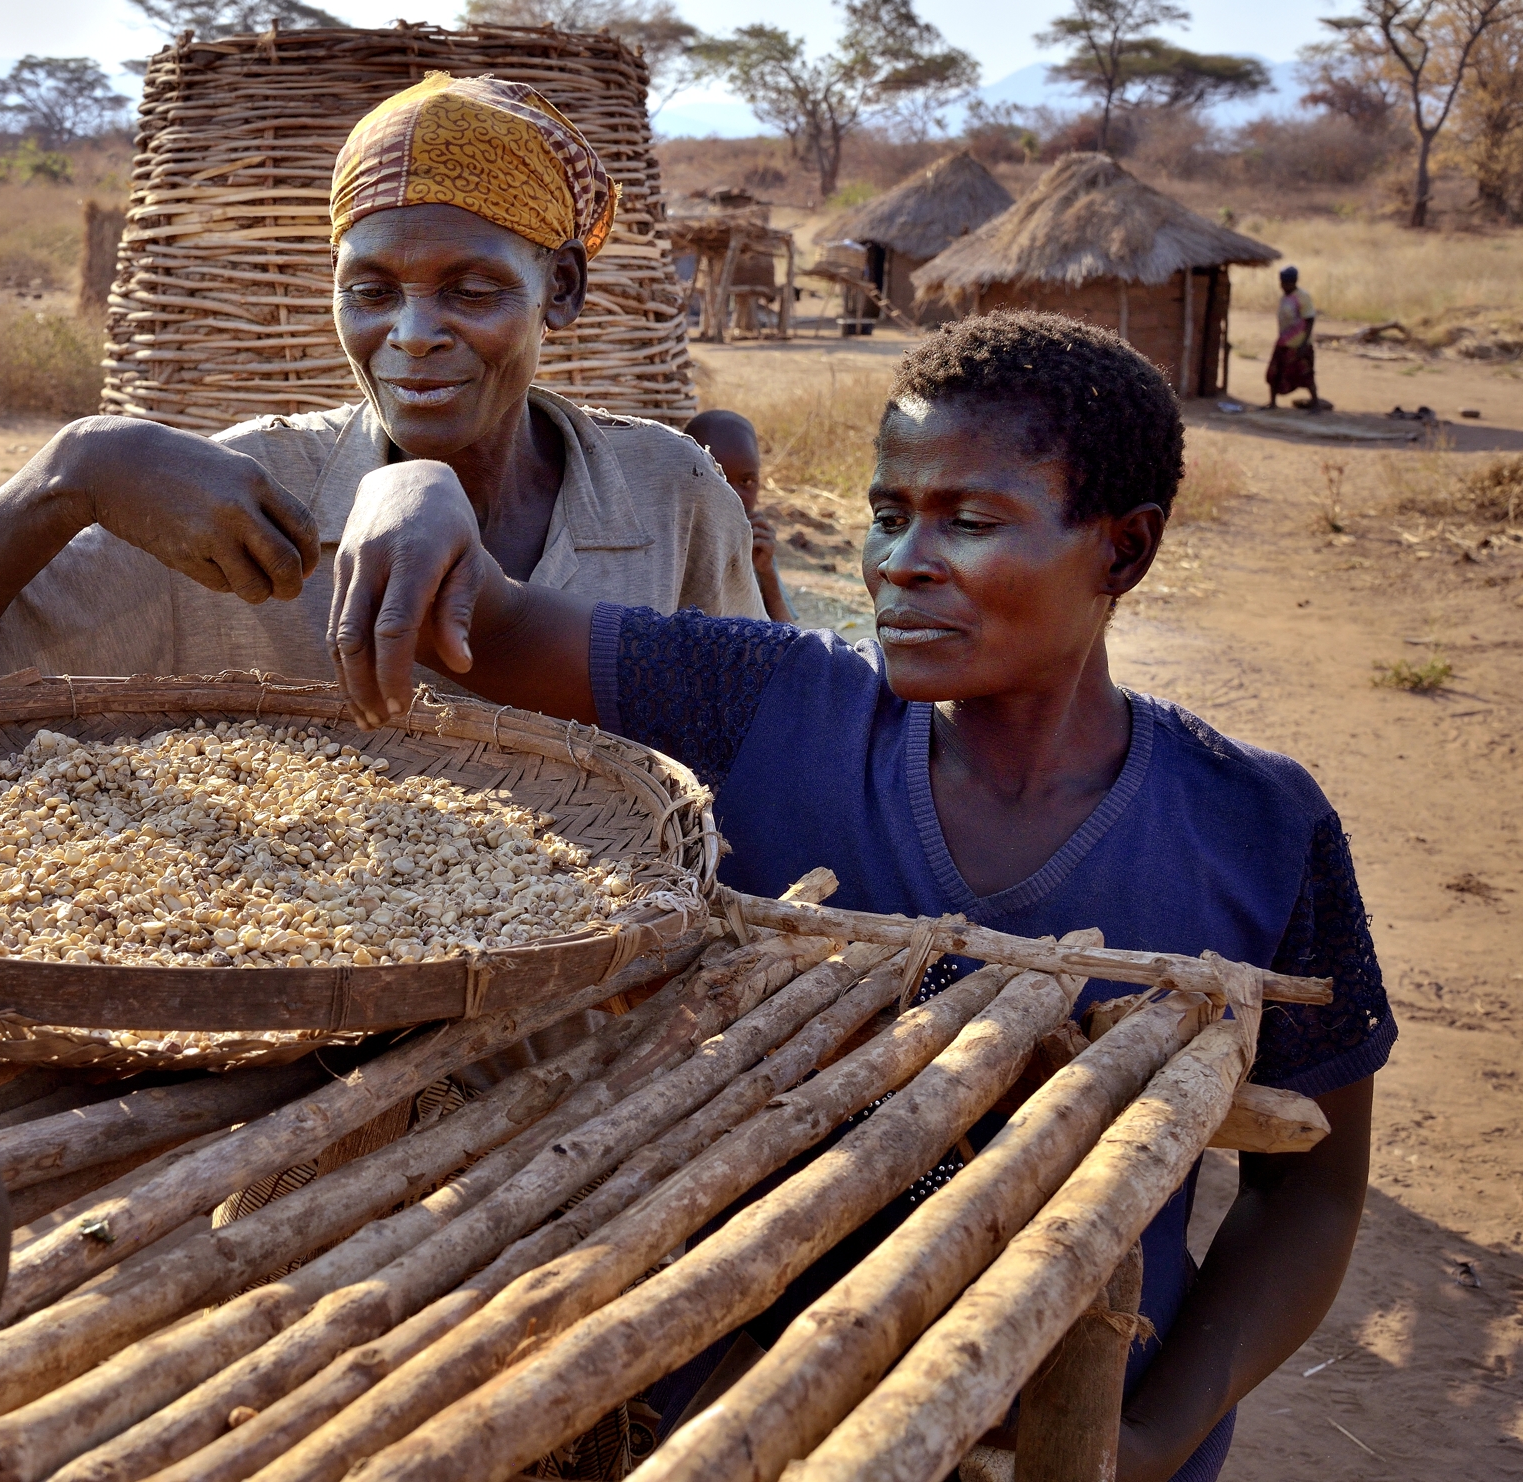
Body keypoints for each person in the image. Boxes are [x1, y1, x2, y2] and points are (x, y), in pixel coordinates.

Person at [325, 310, 1391, 1482]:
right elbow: (478, 622)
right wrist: (413, 487)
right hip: (739, 1425)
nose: (898, 563)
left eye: (968, 522)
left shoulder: (1255, 827)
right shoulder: (770, 704)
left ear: (1122, 551)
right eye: (888, 514)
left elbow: (1308, 1192)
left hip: (1066, 1430)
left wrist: (1152, 1435)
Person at [0, 72, 762, 693]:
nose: (412, 336)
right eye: (371, 292)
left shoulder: (667, 493)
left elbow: (757, 727)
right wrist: (74, 466)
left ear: (560, 287)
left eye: (471, 290)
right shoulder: (242, 503)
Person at [684, 408, 798, 623]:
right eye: (719, 479)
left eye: (746, 482)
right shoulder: (678, 550)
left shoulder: (754, 547)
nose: (734, 497)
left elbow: (790, 636)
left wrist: (766, 573)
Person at [1266, 265, 1323, 411]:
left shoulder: (1302, 297)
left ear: (1293, 282)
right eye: (1282, 282)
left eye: (1286, 283)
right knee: (1274, 372)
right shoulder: (1284, 298)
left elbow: (1310, 320)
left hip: (1299, 344)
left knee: (1306, 374)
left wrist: (1304, 343)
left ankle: (1315, 404)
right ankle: (1272, 403)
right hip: (1283, 342)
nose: (1283, 286)